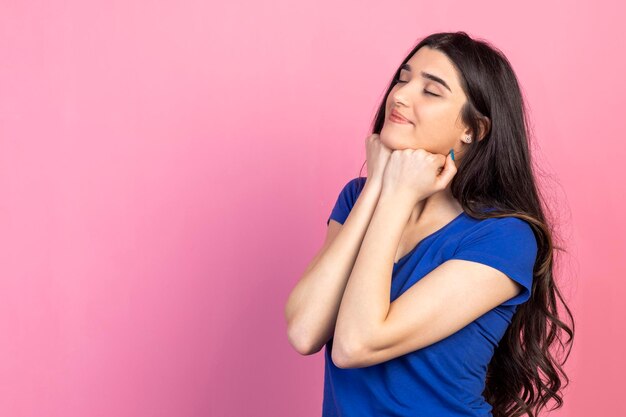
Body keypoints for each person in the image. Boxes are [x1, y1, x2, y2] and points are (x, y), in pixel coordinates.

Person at [284, 31, 574, 417]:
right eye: (403, 78)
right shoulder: (357, 197)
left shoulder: (503, 237)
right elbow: (304, 332)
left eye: (431, 91)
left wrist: (396, 197)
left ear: (473, 129)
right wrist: (376, 190)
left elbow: (356, 344)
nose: (400, 95)